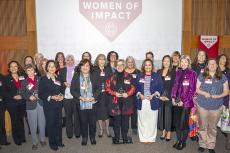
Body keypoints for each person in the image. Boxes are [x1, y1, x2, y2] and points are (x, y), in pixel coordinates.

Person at [196, 59, 229, 153]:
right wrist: (204, 93)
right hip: (202, 105)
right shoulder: (202, 75)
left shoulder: (222, 77)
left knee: (212, 127)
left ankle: (211, 145)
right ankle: (202, 144)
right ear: (207, 65)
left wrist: (218, 96)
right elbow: (197, 89)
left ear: (217, 65)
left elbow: (226, 91)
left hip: (216, 106)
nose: (212, 65)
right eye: (210, 63)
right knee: (202, 126)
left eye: (214, 63)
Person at [105, 59, 136, 144]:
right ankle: (117, 137)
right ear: (115, 66)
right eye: (118, 65)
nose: (120, 66)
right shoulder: (111, 76)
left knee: (125, 122)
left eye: (121, 65)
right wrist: (115, 93)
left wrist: (128, 93)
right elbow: (107, 88)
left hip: (126, 102)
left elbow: (133, 87)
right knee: (117, 121)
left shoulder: (129, 76)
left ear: (124, 66)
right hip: (115, 102)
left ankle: (125, 136)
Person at [71, 59, 100, 146]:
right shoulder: (76, 76)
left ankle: (92, 137)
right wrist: (80, 97)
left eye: (87, 65)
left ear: (90, 67)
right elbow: (72, 90)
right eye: (83, 65)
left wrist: (93, 97)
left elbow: (99, 88)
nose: (85, 67)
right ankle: (84, 137)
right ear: (80, 67)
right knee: (83, 121)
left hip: (92, 102)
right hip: (81, 102)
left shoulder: (94, 75)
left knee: (92, 121)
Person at [171, 55, 197, 150]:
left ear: (189, 63)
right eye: (182, 62)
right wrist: (173, 97)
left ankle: (183, 141)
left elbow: (192, 90)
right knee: (177, 123)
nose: (183, 63)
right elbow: (175, 85)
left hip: (186, 103)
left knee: (184, 124)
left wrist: (183, 100)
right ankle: (178, 140)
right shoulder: (178, 72)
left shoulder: (192, 73)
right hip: (177, 102)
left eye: (185, 62)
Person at [136, 59, 163, 143]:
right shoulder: (139, 76)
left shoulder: (157, 76)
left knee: (152, 120)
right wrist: (140, 94)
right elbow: (135, 87)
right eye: (146, 65)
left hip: (153, 100)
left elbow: (160, 88)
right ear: (143, 66)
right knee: (142, 120)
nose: (148, 66)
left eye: (149, 65)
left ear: (152, 66)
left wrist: (153, 95)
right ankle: (143, 138)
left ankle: (151, 138)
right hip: (142, 100)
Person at [38, 60, 64, 151]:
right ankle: (52, 143)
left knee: (58, 124)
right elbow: (41, 94)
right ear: (47, 68)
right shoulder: (43, 79)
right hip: (49, 106)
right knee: (51, 124)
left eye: (53, 66)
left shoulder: (59, 78)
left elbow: (62, 90)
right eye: (50, 66)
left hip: (58, 105)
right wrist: (51, 97)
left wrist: (62, 96)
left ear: (56, 68)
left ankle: (59, 141)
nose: (52, 68)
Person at [20, 64, 46, 150]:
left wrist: (41, 95)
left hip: (41, 103)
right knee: (33, 124)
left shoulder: (40, 79)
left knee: (42, 123)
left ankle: (42, 140)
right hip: (31, 105)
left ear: (34, 70)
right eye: (28, 71)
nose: (30, 72)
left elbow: (44, 89)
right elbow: (22, 93)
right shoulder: (24, 82)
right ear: (26, 72)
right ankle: (35, 142)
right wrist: (28, 97)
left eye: (31, 70)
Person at [4, 61, 26, 145]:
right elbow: (4, 91)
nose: (13, 68)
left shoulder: (22, 77)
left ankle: (22, 136)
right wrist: (13, 96)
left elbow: (26, 87)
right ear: (9, 68)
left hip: (22, 101)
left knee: (21, 120)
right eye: (11, 66)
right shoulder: (6, 78)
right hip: (12, 103)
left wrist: (22, 95)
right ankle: (17, 139)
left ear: (18, 67)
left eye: (15, 66)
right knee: (15, 121)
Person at [59, 55, 81, 139]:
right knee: (68, 115)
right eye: (68, 60)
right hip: (66, 95)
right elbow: (59, 82)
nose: (70, 61)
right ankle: (69, 133)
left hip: (75, 95)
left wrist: (73, 85)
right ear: (66, 61)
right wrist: (64, 83)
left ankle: (77, 132)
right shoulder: (62, 70)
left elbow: (80, 80)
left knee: (76, 115)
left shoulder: (77, 69)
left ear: (74, 61)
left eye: (71, 60)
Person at [93, 54, 111, 137]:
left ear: (105, 61)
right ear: (97, 60)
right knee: (99, 112)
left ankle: (107, 129)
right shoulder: (94, 69)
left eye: (103, 59)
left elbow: (111, 80)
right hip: (98, 94)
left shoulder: (108, 69)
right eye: (100, 59)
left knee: (107, 112)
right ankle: (100, 129)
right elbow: (92, 82)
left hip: (107, 94)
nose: (102, 61)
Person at [157, 55, 173, 141]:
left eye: (168, 61)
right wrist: (159, 96)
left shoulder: (173, 72)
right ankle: (163, 131)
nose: (166, 62)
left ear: (170, 62)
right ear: (162, 62)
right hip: (160, 96)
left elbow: (175, 86)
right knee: (161, 114)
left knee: (168, 115)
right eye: (164, 61)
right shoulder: (159, 71)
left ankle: (169, 132)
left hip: (168, 97)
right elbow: (156, 85)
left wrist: (169, 97)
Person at [216, 54, 230, 150]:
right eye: (221, 58)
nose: (223, 60)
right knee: (214, 122)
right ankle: (212, 141)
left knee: (226, 121)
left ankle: (228, 141)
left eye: (224, 58)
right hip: (214, 100)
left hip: (225, 100)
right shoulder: (214, 70)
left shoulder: (228, 72)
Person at [125, 56, 140, 135]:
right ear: (126, 62)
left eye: (131, 62)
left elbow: (141, 82)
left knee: (134, 112)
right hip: (126, 95)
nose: (130, 63)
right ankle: (126, 127)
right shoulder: (123, 71)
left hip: (135, 95)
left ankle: (134, 127)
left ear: (133, 62)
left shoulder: (137, 71)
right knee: (126, 111)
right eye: (128, 62)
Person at [0, 73, 10, 149]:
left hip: (1, 104)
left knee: (2, 123)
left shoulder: (2, 77)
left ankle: (3, 140)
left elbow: (5, 89)